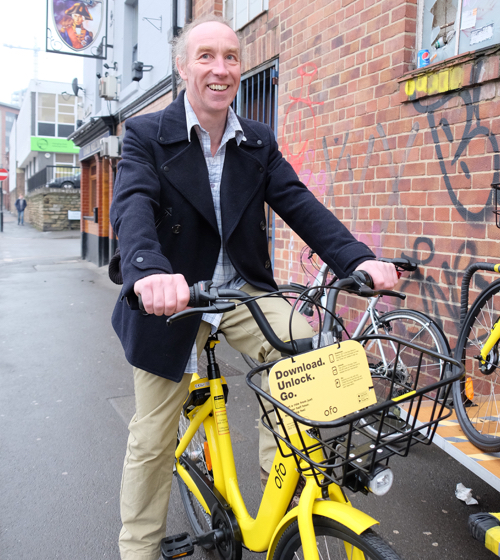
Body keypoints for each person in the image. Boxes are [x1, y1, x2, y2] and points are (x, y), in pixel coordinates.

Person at [110, 15, 399, 560]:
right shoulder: (148, 134)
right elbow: (133, 205)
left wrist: (358, 259)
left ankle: (285, 490)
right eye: (206, 56)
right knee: (152, 438)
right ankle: (138, 550)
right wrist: (147, 270)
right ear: (182, 66)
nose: (220, 69)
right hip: (173, 299)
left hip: (241, 291)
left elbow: (300, 203)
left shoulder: (256, 141)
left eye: (231, 57)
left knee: (308, 349)